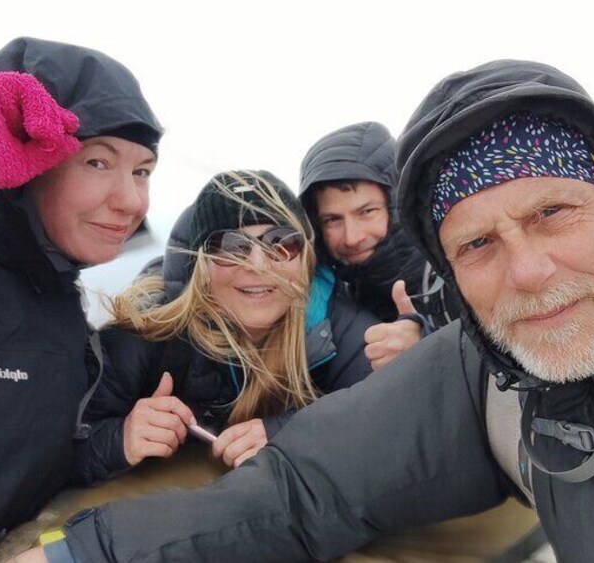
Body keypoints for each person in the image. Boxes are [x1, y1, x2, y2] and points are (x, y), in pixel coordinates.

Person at [24, 60, 594, 563]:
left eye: (554, 211)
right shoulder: (484, 375)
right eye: (478, 242)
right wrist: (77, 550)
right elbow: (307, 490)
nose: (526, 269)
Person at [0, 36, 162, 561]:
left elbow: (15, 465)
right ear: (24, 159)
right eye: (97, 162)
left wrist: (117, 442)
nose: (131, 201)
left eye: (143, 171)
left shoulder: (59, 298)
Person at [73, 170, 378, 484]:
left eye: (282, 243)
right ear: (201, 265)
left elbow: (388, 429)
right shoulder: (147, 333)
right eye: (231, 246)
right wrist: (120, 439)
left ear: (306, 259)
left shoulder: (342, 328)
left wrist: (290, 434)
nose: (259, 265)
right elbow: (54, 453)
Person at [299, 121, 458, 369]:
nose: (352, 237)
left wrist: (426, 346)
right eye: (332, 220)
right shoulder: (328, 295)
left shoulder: (454, 270)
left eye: (366, 211)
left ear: (396, 204)